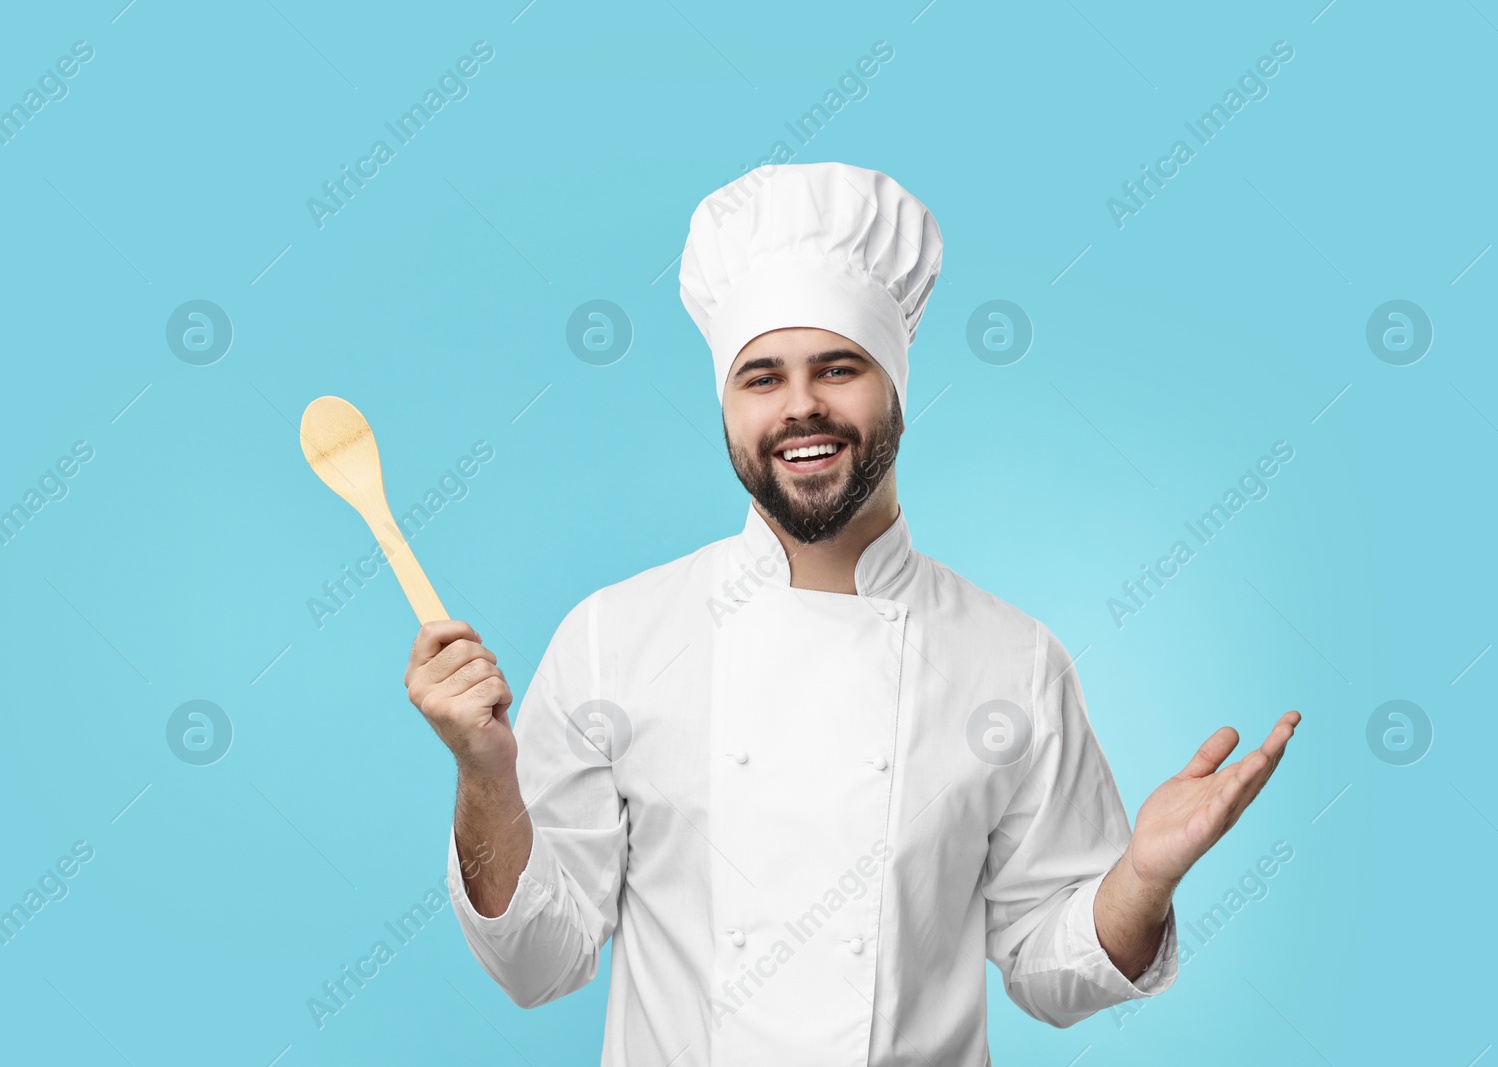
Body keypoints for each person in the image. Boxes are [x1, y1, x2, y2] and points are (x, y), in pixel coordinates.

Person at [402, 162, 1300, 1065]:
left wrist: (1141, 879)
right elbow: (537, 960)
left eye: (839, 367)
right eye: (762, 377)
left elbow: (1047, 968)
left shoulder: (1013, 659)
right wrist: (485, 774)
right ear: (727, 406)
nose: (801, 405)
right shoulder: (614, 639)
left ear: (897, 391)